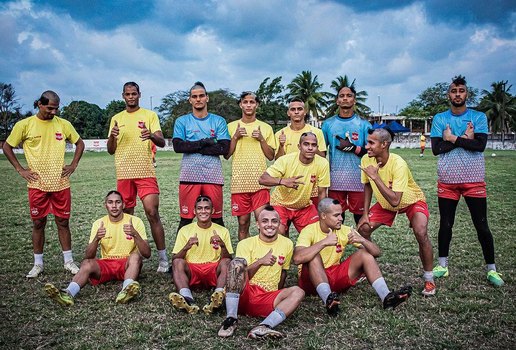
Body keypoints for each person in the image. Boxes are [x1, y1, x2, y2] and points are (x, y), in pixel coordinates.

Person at [430, 75, 504, 286]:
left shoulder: (478, 117)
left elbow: (479, 146)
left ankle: (492, 270)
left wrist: (452, 139)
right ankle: (442, 266)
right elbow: (436, 149)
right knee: (445, 224)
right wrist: (464, 139)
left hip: (473, 180)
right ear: (448, 95)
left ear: (467, 94)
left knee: (482, 226)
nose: (457, 94)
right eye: (454, 91)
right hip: (447, 179)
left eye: (461, 91)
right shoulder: (440, 118)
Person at [3, 90, 85, 278]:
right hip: (37, 184)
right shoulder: (25, 125)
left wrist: (73, 164)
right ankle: (38, 264)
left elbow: (79, 143)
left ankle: (68, 261)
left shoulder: (64, 124)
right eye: (50, 108)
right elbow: (7, 146)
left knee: (63, 222)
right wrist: (20, 169)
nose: (54, 112)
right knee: (38, 222)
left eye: (56, 109)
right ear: (40, 104)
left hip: (61, 183)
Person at [293, 198, 412, 314]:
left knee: (364, 254)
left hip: (334, 278)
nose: (340, 218)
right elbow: (297, 258)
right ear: (323, 216)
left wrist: (363, 240)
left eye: (340, 215)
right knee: (314, 256)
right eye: (336, 215)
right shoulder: (309, 230)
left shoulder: (344, 230)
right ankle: (328, 300)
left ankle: (387, 297)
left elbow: (376, 253)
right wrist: (324, 242)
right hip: (311, 282)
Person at [358, 128, 436, 296]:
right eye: (367, 142)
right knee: (363, 229)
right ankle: (368, 266)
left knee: (421, 232)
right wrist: (365, 213)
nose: (367, 146)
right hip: (386, 203)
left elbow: (396, 200)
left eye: (371, 143)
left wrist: (376, 177)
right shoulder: (366, 159)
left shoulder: (398, 163)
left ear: (384, 144)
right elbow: (367, 185)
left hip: (410, 201)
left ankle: (429, 278)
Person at [43, 191, 151, 306]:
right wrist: (96, 238)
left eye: (117, 202)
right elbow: (88, 256)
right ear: (105, 205)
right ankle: (68, 293)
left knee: (135, 256)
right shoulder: (99, 223)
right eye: (110, 202)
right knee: (87, 263)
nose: (114, 206)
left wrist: (135, 234)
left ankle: (126, 290)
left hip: (127, 265)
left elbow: (147, 254)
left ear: (123, 205)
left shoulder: (135, 221)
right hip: (107, 264)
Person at [107, 82, 169, 273]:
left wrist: (150, 135)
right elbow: (111, 150)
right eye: (128, 94)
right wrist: (113, 137)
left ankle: (163, 259)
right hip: (124, 173)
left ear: (139, 95)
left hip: (145, 172)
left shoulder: (150, 116)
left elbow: (161, 142)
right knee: (127, 216)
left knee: (152, 212)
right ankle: (129, 258)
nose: (131, 97)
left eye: (134, 93)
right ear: (123, 96)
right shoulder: (116, 118)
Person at [217, 206, 304, 339]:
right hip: (244, 295)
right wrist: (260, 262)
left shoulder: (287, 243)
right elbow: (239, 275)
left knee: (298, 291)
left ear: (279, 223)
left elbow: (283, 273)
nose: (270, 225)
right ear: (257, 224)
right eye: (265, 221)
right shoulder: (245, 244)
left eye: (274, 221)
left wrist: (278, 295)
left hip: (267, 297)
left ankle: (264, 326)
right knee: (236, 263)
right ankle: (231, 319)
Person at [172, 81, 230, 231]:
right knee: (186, 220)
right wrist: (205, 142)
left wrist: (193, 146)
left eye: (201, 96)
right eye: (194, 96)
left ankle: (222, 254)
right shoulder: (182, 121)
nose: (198, 99)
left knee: (217, 219)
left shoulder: (218, 121)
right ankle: (180, 254)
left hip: (213, 175)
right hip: (189, 176)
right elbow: (178, 146)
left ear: (207, 98)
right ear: (190, 100)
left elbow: (224, 148)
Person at [169, 196, 233, 314]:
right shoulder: (185, 230)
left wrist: (222, 245)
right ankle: (187, 299)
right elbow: (175, 258)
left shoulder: (222, 230)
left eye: (207, 208)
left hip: (212, 269)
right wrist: (186, 247)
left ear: (212, 211)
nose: (203, 211)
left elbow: (229, 259)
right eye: (200, 208)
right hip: (192, 269)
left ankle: (218, 296)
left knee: (227, 263)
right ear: (194, 211)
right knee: (177, 262)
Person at [226, 91, 276, 240]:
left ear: (257, 105)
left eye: (252, 102)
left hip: (260, 182)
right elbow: (227, 155)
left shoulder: (265, 127)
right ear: (240, 104)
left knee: (263, 221)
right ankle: (244, 256)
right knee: (243, 223)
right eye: (245, 102)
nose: (248, 105)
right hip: (239, 183)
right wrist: (235, 137)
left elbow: (271, 155)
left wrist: (261, 139)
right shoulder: (231, 126)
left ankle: (263, 255)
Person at [259, 132, 330, 236]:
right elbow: (262, 179)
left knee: (316, 234)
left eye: (313, 145)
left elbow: (322, 193)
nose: (310, 148)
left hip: (303, 206)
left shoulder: (323, 163)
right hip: (280, 204)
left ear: (317, 147)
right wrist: (282, 181)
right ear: (299, 146)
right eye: (306, 144)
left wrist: (323, 216)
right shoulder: (286, 160)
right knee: (278, 232)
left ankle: (304, 251)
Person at [322, 86, 371, 224]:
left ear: (354, 100)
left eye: (349, 95)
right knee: (336, 217)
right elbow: (321, 152)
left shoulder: (363, 124)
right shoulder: (328, 124)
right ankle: (337, 245)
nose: (345, 98)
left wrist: (354, 148)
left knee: (360, 219)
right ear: (337, 101)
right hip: (335, 179)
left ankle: (361, 245)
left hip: (358, 178)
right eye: (341, 95)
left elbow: (371, 153)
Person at [275, 98, 327, 208]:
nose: (296, 112)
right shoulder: (280, 134)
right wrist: (281, 145)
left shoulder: (316, 132)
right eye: (293, 109)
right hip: (289, 185)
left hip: (312, 185)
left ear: (305, 111)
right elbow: (277, 161)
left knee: (313, 222)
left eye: (299, 109)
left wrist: (311, 144)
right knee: (283, 222)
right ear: (288, 113)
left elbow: (322, 157)